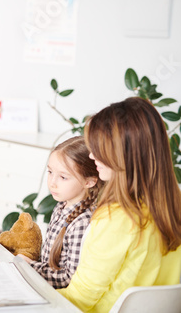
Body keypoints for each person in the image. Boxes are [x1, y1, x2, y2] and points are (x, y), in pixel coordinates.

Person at [58, 97, 181, 312]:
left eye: (99, 148)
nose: (91, 155)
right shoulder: (173, 206)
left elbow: (79, 299)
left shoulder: (116, 217)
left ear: (123, 155)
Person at [18, 136, 103, 289]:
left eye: (63, 177)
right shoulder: (61, 205)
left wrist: (30, 266)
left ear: (89, 181)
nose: (52, 182)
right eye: (50, 172)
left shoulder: (82, 223)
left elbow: (68, 278)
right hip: (42, 283)